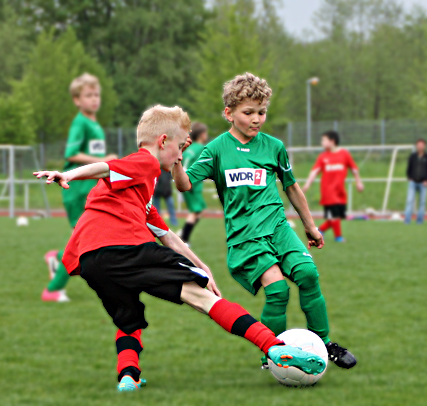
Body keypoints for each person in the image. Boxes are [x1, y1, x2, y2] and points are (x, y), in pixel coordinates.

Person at [34, 105, 326, 391]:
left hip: (90, 260)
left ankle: (128, 376)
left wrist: (201, 266)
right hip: (125, 245)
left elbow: (168, 236)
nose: (181, 157)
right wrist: (68, 175)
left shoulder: (138, 190)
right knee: (201, 298)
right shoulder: (145, 162)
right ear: (163, 142)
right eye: (179, 149)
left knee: (128, 315)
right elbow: (106, 168)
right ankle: (275, 348)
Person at [172, 73, 357, 370]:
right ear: (229, 114)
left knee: (309, 275)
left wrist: (311, 226)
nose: (257, 119)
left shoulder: (274, 147)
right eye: (248, 113)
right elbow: (185, 186)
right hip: (246, 238)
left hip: (278, 228)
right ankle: (273, 354)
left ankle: (323, 345)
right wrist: (177, 164)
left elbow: (292, 187)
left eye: (261, 112)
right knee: (278, 291)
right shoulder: (217, 149)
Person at [42, 73, 117, 303]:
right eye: (88, 95)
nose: (94, 99)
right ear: (77, 99)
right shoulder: (80, 123)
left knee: (88, 239)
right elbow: (71, 155)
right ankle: (53, 290)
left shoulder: (94, 124)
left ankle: (57, 260)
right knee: (82, 242)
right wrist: (103, 159)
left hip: (89, 191)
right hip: (75, 191)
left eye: (96, 94)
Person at [302, 131, 364, 242]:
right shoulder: (323, 157)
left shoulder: (344, 154)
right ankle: (338, 237)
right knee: (335, 215)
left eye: (323, 140)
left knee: (338, 215)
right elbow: (314, 171)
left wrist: (359, 182)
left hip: (340, 191)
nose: (322, 143)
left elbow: (354, 169)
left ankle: (320, 230)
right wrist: (307, 184)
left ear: (332, 141)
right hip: (328, 191)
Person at [179, 122, 209, 244]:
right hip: (193, 184)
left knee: (199, 210)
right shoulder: (201, 148)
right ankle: (184, 239)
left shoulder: (189, 148)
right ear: (202, 135)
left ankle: (182, 233)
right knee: (196, 211)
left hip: (186, 181)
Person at [404, 139, 427, 224]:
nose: (420, 146)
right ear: (416, 146)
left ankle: (419, 221)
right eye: (418, 145)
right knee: (409, 201)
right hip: (413, 182)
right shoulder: (412, 156)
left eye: (422, 145)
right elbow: (409, 168)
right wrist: (409, 177)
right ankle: (407, 220)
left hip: (423, 183)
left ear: (424, 146)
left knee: (422, 202)